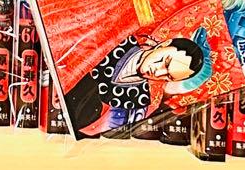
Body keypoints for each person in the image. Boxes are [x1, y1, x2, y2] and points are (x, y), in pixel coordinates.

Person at [63, 30, 209, 135]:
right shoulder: (121, 38)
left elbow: (92, 127)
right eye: (165, 62)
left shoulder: (139, 102)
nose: (158, 73)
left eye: (168, 76)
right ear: (164, 45)